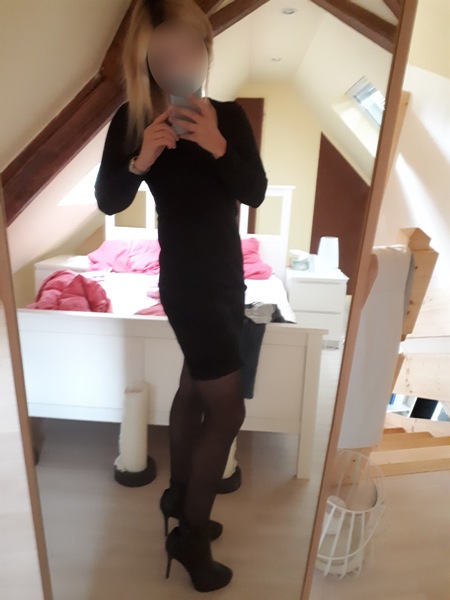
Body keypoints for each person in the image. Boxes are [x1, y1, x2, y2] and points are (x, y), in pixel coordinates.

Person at [95, 0, 267, 592]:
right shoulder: (132, 120)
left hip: (226, 277)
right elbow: (109, 200)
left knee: (195, 388)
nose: (176, 63)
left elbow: (255, 191)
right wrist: (142, 158)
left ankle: (177, 497)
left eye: (187, 49)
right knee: (229, 409)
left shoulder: (230, 118)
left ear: (205, 49)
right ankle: (191, 534)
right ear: (146, 62)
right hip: (188, 283)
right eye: (162, 55)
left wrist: (217, 144)